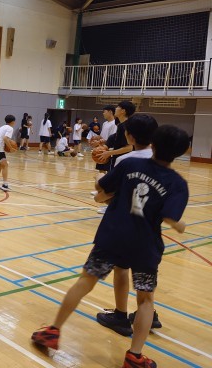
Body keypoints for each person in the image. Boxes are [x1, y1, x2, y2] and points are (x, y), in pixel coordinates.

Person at [31, 124, 190, 368]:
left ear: (153, 144)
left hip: (112, 236)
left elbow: (102, 189)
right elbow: (170, 217)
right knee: (145, 300)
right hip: (145, 246)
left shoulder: (130, 164)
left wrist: (98, 180)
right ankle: (134, 356)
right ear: (182, 151)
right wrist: (180, 225)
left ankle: (53, 331)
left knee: (85, 281)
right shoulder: (178, 183)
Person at [95, 114, 162, 337]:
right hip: (150, 233)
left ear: (128, 135)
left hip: (126, 228)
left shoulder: (127, 160)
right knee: (145, 281)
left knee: (121, 269)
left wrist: (99, 193)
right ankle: (150, 314)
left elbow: (108, 192)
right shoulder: (163, 160)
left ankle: (120, 316)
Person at [95, 101, 136, 214]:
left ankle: (113, 207)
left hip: (123, 161)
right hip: (121, 160)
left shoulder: (125, 126)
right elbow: (114, 139)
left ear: (123, 111)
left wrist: (109, 153)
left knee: (116, 186)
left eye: (118, 107)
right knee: (119, 186)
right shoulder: (122, 125)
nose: (116, 109)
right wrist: (105, 146)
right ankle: (114, 207)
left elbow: (129, 148)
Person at [0, 114, 16, 191]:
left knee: (0, 165)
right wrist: (11, 148)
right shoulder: (10, 128)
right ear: (13, 122)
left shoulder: (2, 127)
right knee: (5, 165)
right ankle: (5, 185)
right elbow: (5, 138)